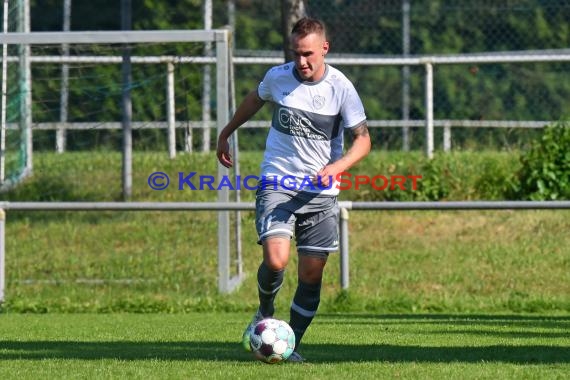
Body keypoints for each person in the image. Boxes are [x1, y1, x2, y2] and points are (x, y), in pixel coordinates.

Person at [216, 17, 370, 362]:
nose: (302, 61)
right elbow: (254, 99)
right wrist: (226, 132)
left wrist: (337, 167)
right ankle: (265, 313)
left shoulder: (341, 88)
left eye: (309, 54)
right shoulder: (278, 77)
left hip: (320, 194)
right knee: (276, 259)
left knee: (311, 276)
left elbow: (363, 140)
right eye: (297, 54)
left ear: (324, 49)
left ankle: (289, 346)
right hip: (278, 183)